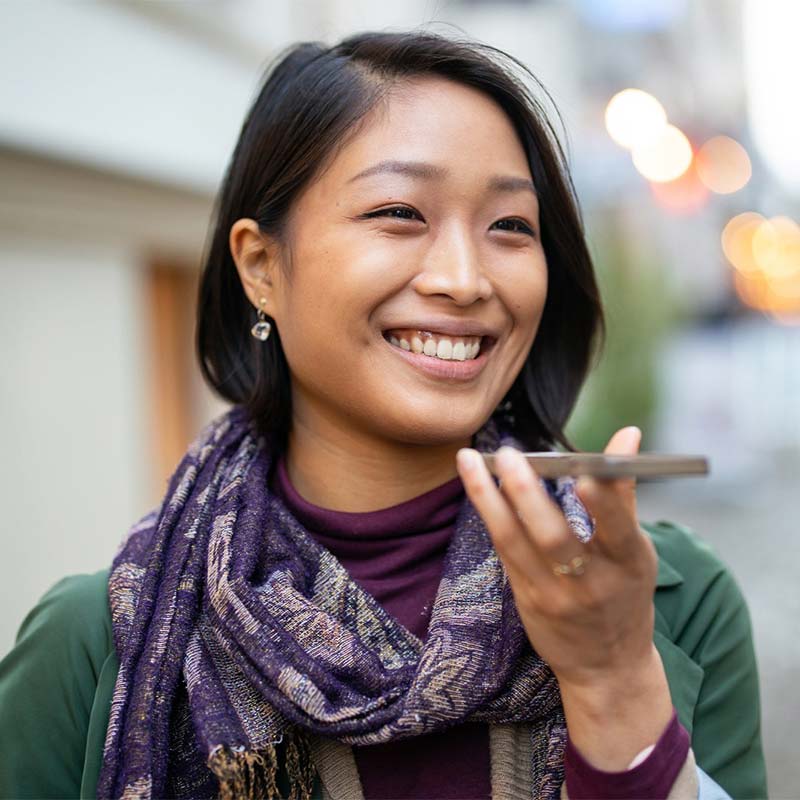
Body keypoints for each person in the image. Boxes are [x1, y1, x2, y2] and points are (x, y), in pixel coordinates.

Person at [0, 30, 767, 800]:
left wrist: (613, 680)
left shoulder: (667, 601)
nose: (465, 280)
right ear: (262, 266)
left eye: (510, 225)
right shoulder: (98, 645)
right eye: (400, 212)